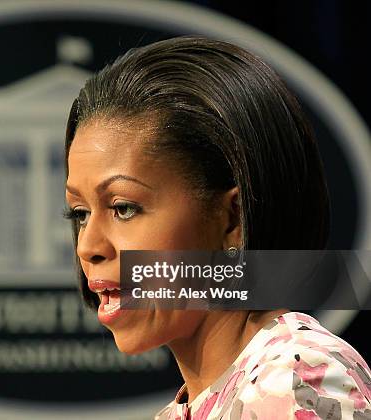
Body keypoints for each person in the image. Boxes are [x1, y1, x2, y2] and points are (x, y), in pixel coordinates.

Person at [63, 36, 371, 419]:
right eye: (79, 212)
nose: (87, 246)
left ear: (233, 219)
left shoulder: (295, 379)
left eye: (123, 208)